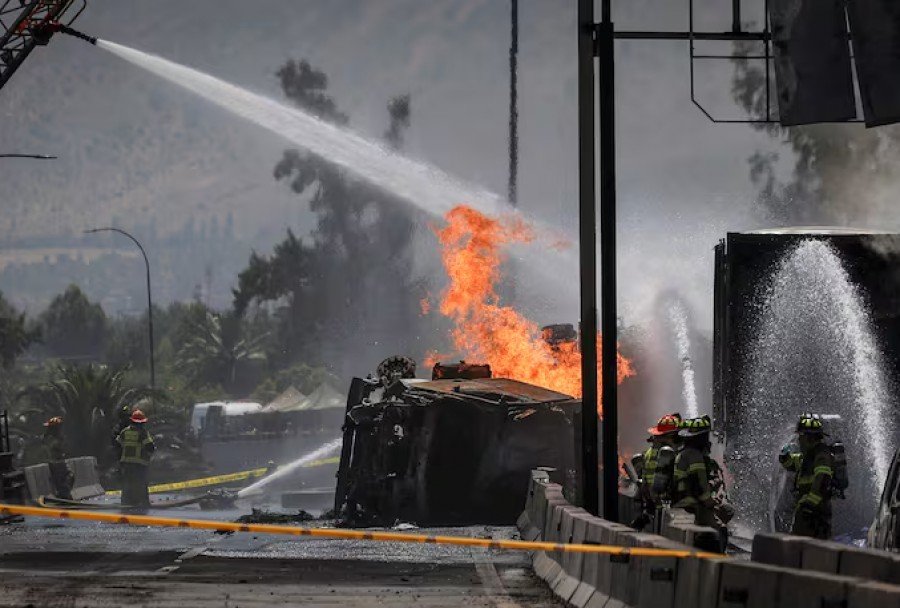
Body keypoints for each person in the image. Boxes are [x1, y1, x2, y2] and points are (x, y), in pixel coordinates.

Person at [674, 415, 732, 546]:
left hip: (684, 502)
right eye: (705, 436)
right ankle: (718, 557)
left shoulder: (684, 453)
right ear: (700, 438)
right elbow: (698, 485)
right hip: (692, 505)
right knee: (720, 528)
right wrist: (710, 502)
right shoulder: (695, 456)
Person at [779, 414, 835, 539]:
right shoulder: (808, 456)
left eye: (801, 436)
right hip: (807, 511)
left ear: (810, 437)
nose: (799, 440)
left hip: (815, 513)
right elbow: (793, 463)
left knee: (804, 549)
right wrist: (784, 457)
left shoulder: (822, 455)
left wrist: (809, 504)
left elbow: (823, 479)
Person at [630, 412, 682, 530]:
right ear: (670, 436)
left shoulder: (650, 451)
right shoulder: (667, 452)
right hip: (664, 504)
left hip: (651, 504)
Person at [116, 409, 155, 510]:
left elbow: (117, 445)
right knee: (142, 484)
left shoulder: (124, 432)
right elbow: (150, 447)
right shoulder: (142, 433)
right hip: (139, 464)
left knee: (127, 484)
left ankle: (125, 503)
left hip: (126, 464)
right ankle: (144, 503)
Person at [42, 416, 73, 500]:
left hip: (59, 462)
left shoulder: (58, 438)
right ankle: (64, 496)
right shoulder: (50, 438)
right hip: (55, 463)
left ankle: (65, 495)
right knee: (61, 480)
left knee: (68, 478)